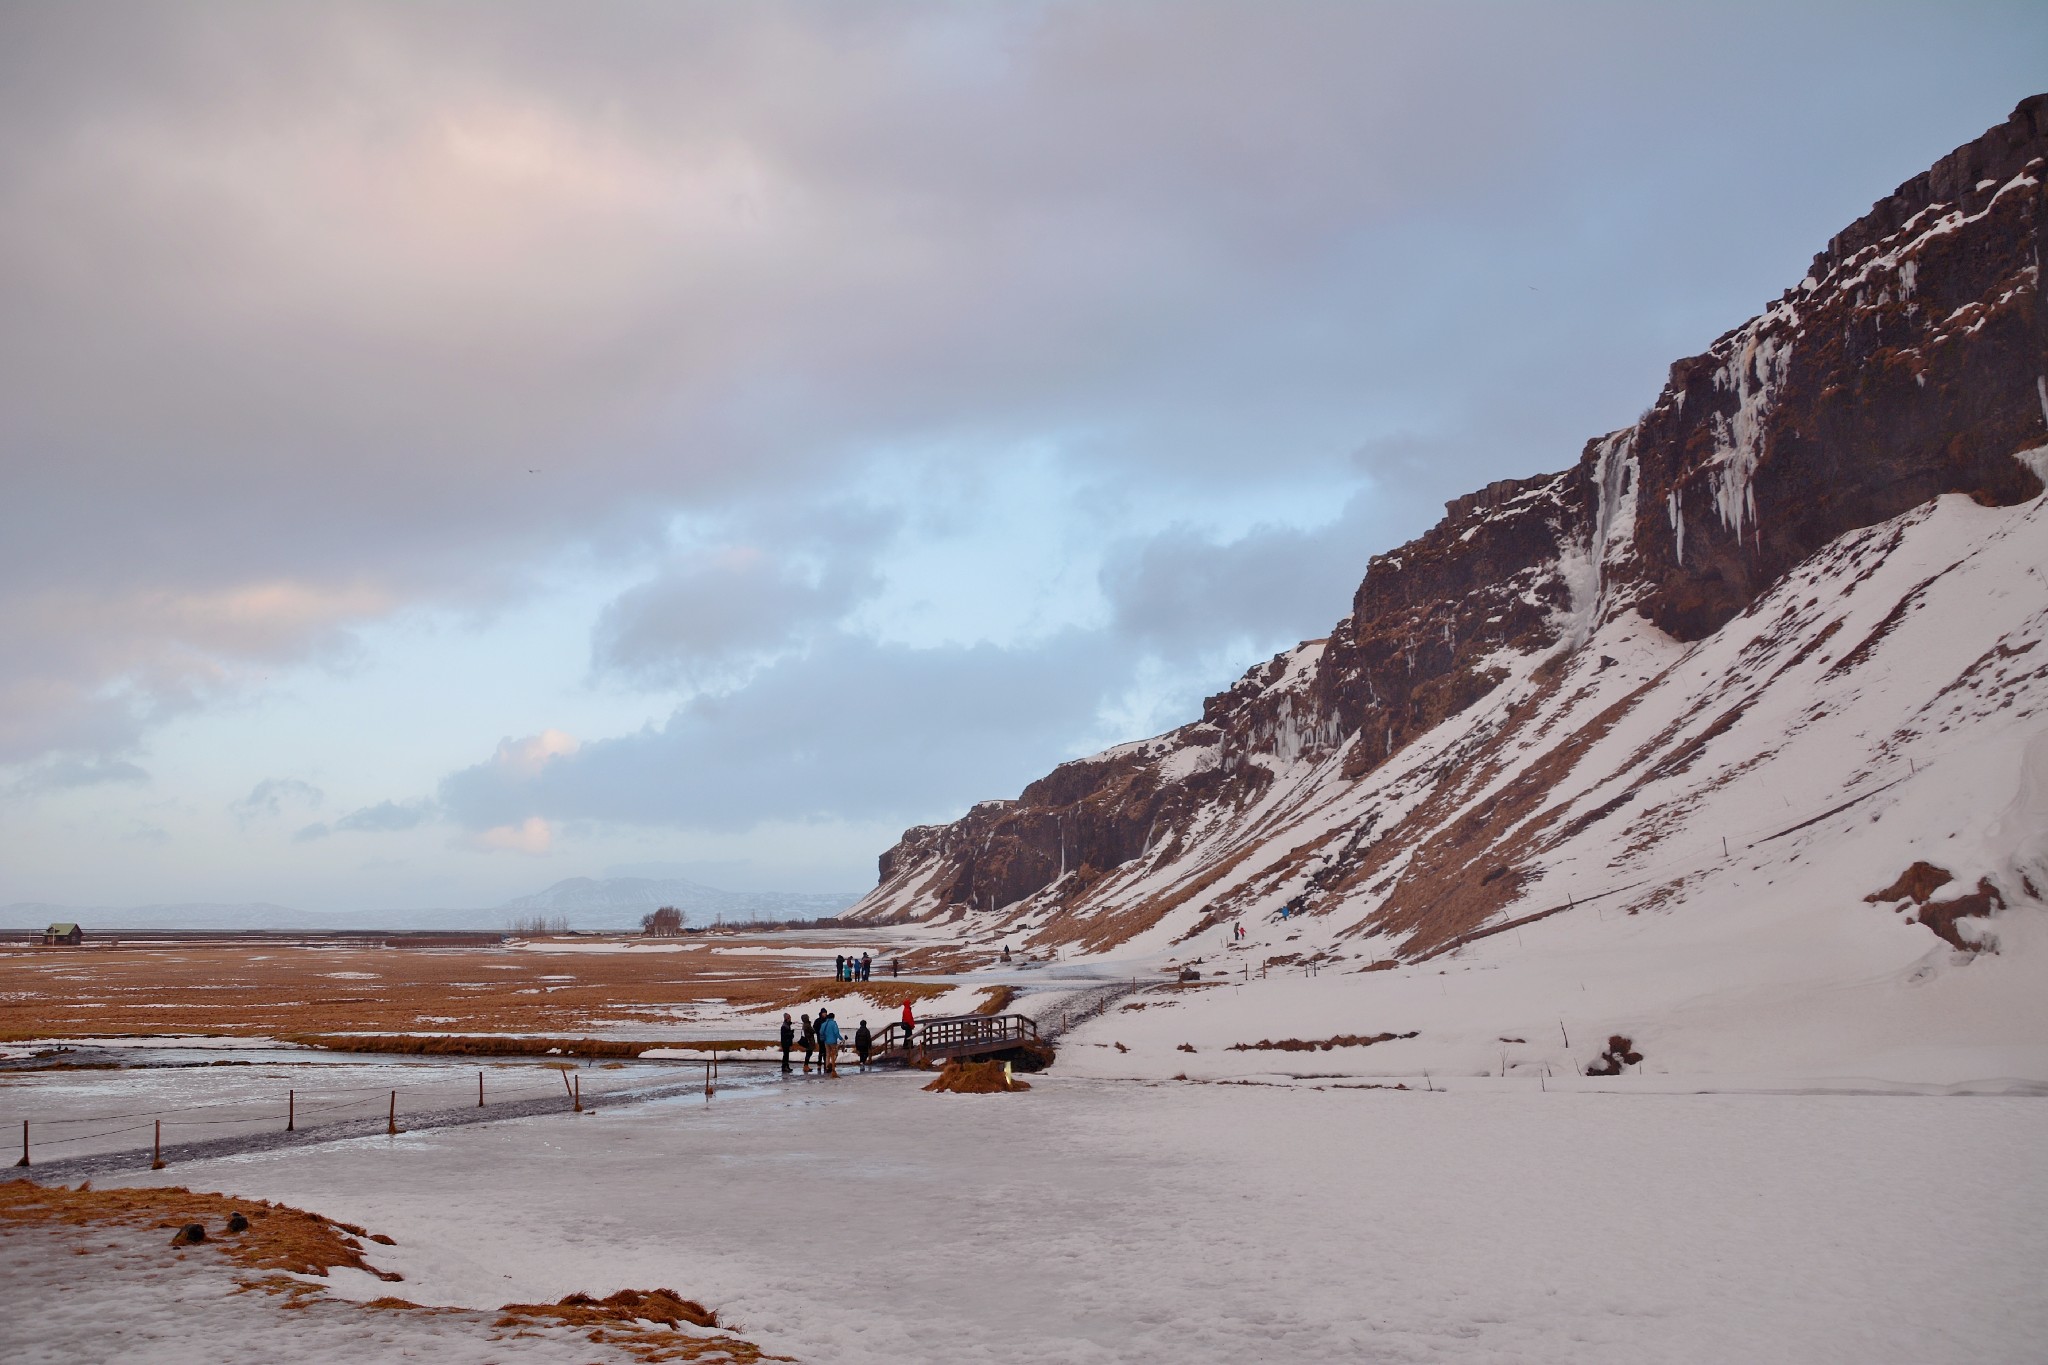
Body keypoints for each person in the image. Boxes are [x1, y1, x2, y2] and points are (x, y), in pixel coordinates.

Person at [818, 1010, 842, 1077]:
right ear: (833, 1017)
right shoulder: (834, 1024)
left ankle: (827, 1066)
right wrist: (841, 1038)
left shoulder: (824, 1024)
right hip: (833, 1042)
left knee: (827, 1054)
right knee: (834, 1054)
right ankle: (832, 1066)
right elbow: (836, 1032)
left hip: (826, 1041)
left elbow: (821, 1032)